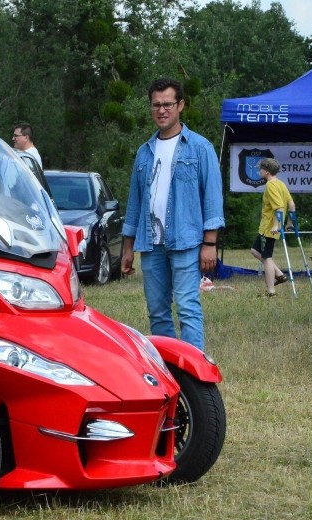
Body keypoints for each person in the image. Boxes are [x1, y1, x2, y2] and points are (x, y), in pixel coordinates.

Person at [121, 77, 224, 351]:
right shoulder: (144, 152)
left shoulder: (200, 148)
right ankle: (169, 373)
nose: (161, 110)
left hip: (187, 242)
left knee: (188, 308)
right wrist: (128, 248)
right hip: (150, 245)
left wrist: (209, 243)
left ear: (181, 105)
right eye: (156, 105)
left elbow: (212, 198)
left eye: (168, 104)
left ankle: (195, 379)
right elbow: (135, 203)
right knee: (157, 312)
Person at [249, 158, 295, 297]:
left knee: (266, 257)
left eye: (260, 169)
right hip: (269, 226)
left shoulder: (271, 185)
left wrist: (276, 225)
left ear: (266, 171)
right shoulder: (280, 184)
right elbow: (291, 205)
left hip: (269, 227)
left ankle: (271, 292)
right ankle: (279, 275)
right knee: (254, 251)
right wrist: (289, 223)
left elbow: (279, 207)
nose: (259, 171)